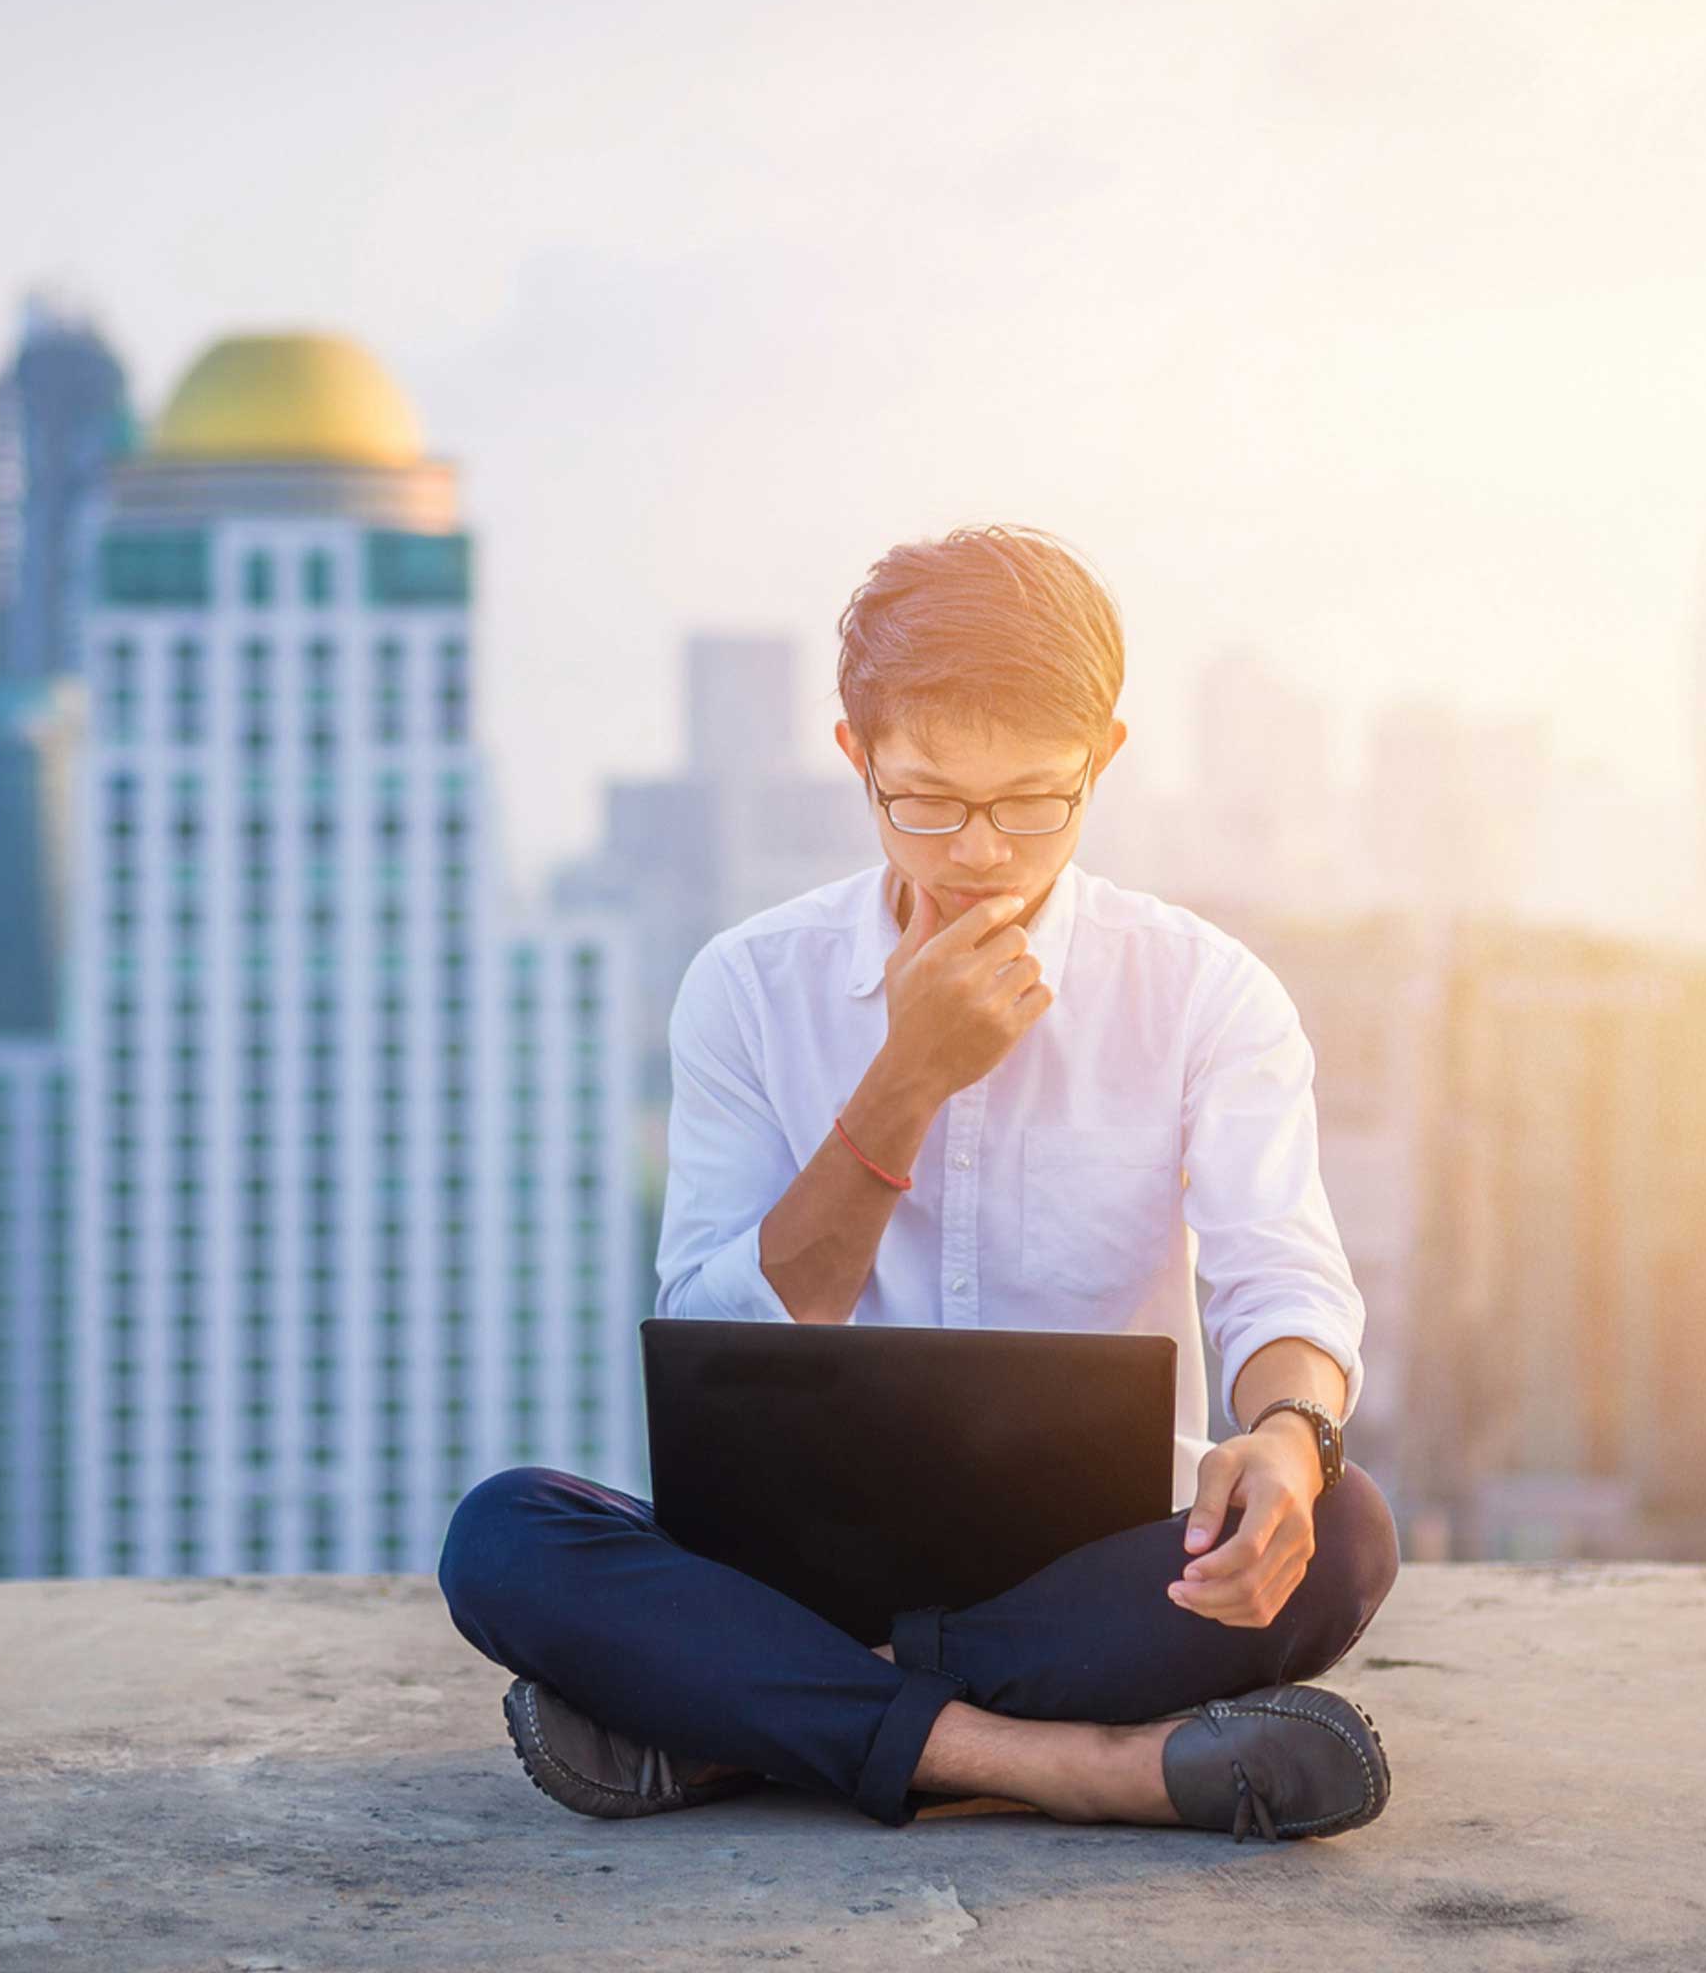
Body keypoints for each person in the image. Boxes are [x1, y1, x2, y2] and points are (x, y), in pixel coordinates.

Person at [440, 526, 1396, 1839]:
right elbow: (722, 1337)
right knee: (505, 1538)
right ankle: (1077, 1768)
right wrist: (907, 1078)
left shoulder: (1201, 992)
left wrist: (1289, 1437)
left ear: (1103, 760)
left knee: (1342, 1539)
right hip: (789, 1573)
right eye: (928, 800)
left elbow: (1278, 1278)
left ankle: (740, 1734)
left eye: (1033, 802)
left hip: (1095, 1576)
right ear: (857, 757)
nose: (982, 851)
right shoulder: (750, 984)